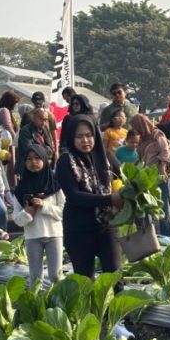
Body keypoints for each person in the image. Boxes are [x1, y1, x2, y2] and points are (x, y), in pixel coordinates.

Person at [56, 114, 123, 279]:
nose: (85, 140)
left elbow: (124, 175)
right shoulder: (65, 161)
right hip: (79, 228)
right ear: (71, 137)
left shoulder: (105, 156)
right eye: (79, 136)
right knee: (85, 280)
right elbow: (74, 196)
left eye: (89, 135)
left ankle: (116, 306)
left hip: (107, 225)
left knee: (115, 276)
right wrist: (109, 199)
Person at [12, 144, 64, 287]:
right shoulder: (21, 188)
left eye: (37, 158)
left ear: (44, 160)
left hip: (54, 235)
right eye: (29, 159)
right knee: (35, 278)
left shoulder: (55, 184)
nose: (33, 162)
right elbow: (16, 218)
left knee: (56, 275)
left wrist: (44, 205)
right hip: (32, 237)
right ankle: (36, 306)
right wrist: (27, 213)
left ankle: (61, 303)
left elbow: (64, 211)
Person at [130, 114, 170, 237]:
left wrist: (162, 168)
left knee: (164, 206)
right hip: (147, 177)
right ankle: (150, 236)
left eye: (136, 127)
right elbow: (141, 157)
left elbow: (165, 152)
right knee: (147, 206)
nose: (135, 130)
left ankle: (166, 237)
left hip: (159, 176)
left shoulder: (156, 135)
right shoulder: (142, 139)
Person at [17, 108, 55, 174]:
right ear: (33, 118)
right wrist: (44, 151)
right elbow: (30, 151)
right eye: (40, 119)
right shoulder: (26, 131)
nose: (43, 122)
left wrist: (41, 150)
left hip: (43, 166)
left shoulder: (44, 129)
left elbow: (50, 151)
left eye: (45, 120)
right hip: (28, 168)